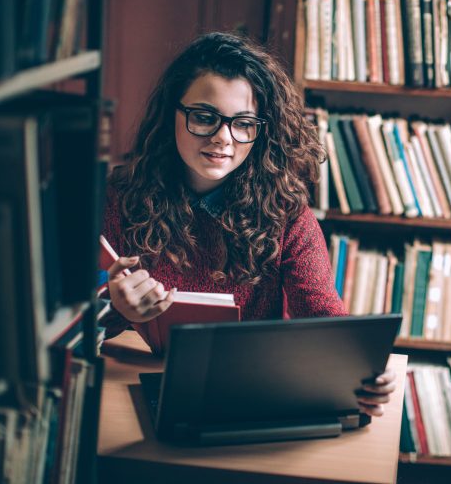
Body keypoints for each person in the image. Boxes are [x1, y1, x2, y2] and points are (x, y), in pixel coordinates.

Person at [100, 32, 395, 417]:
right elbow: (76, 325)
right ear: (172, 113)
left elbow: (322, 314)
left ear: (261, 130)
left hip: (248, 393)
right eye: (204, 117)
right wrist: (116, 310)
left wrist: (361, 367)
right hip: (139, 386)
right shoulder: (121, 197)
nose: (223, 138)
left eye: (243, 123)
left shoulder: (288, 215)